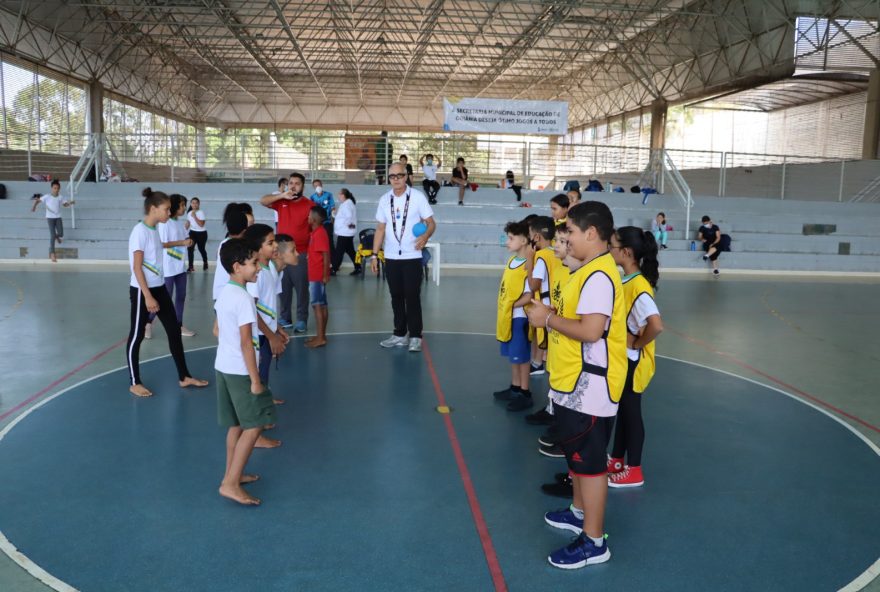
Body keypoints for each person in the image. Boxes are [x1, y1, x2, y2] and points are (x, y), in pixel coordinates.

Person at [525, 201, 627, 570]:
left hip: (592, 386)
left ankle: (594, 541)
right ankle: (579, 511)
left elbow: (591, 330)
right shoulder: (585, 271)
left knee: (590, 465)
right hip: (574, 381)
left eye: (569, 232)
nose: (563, 237)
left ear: (592, 234)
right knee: (577, 458)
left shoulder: (600, 276)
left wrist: (547, 318)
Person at [126, 188, 208, 398]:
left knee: (173, 329)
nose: (168, 212)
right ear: (153, 209)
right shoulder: (139, 231)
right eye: (166, 209)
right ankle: (135, 382)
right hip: (142, 290)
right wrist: (147, 296)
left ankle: (184, 376)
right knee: (136, 336)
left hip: (159, 287)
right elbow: (137, 267)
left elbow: (160, 248)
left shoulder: (154, 230)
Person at [214, 238, 276, 506]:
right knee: (254, 425)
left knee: (236, 425)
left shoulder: (225, 292)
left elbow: (217, 330)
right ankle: (229, 484)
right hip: (240, 371)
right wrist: (255, 380)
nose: (258, 268)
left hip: (223, 367)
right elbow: (246, 343)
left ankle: (232, 475)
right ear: (238, 267)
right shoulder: (243, 299)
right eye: (253, 264)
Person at [608, 226, 663, 488]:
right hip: (624, 357)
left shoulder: (639, 286)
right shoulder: (627, 281)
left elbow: (656, 325)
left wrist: (638, 342)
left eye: (613, 246)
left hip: (634, 360)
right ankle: (617, 459)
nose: (609, 249)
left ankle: (635, 469)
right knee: (622, 410)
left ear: (626, 252)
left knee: (632, 413)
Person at [371, 162, 436, 352]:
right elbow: (380, 228)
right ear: (388, 178)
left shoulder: (417, 197)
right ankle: (400, 333)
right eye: (392, 176)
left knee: (412, 296)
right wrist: (375, 255)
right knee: (395, 296)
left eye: (399, 175)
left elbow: (431, 223)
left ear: (406, 176)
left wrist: (425, 236)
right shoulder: (385, 200)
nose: (396, 179)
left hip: (412, 255)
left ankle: (415, 335)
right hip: (391, 256)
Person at [260, 172, 312, 332]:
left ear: (303, 186)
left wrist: (310, 252)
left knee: (301, 287)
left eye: (297, 183)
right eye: (291, 183)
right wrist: (282, 195)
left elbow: (314, 230)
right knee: (283, 287)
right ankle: (285, 317)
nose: (293, 186)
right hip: (280, 254)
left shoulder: (309, 205)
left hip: (299, 253)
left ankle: (302, 319)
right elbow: (262, 200)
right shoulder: (281, 201)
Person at [493, 220, 534, 411]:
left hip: (520, 318)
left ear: (525, 240)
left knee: (522, 357)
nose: (507, 242)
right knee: (513, 356)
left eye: (511, 238)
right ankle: (515, 387)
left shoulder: (528, 265)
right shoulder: (512, 261)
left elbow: (529, 296)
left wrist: (510, 305)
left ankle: (525, 393)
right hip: (509, 317)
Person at [146, 194, 195, 340]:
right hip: (168, 269)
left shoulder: (179, 223)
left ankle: (178, 324)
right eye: (182, 205)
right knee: (163, 298)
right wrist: (182, 243)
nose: (184, 208)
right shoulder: (164, 224)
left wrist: (188, 240)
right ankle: (148, 322)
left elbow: (183, 239)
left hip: (180, 267)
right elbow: (162, 244)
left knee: (181, 296)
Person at [526, 216, 557, 379]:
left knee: (542, 335)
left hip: (545, 304)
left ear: (536, 237)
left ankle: (537, 364)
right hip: (555, 302)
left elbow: (533, 285)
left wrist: (530, 259)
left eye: (531, 234)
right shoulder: (555, 253)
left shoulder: (541, 257)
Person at [212, 204, 252, 303]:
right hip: (228, 296)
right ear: (245, 230)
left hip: (220, 294)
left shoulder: (224, 243)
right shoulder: (239, 248)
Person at [305, 206, 331, 349]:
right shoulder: (315, 233)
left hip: (317, 276)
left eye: (309, 216)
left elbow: (325, 254)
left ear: (314, 219)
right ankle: (322, 335)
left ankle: (320, 337)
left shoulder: (319, 233)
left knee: (317, 306)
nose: (307, 218)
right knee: (322, 304)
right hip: (316, 275)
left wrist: (325, 274)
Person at [31, 179, 73, 262]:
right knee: (52, 235)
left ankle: (57, 237)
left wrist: (70, 203)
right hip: (50, 218)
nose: (56, 190)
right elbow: (37, 201)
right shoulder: (47, 196)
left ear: (59, 189)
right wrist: (34, 207)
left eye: (57, 188)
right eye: (54, 188)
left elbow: (65, 204)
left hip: (58, 217)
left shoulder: (60, 197)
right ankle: (52, 254)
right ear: (51, 188)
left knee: (61, 233)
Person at [331, 188, 360, 275]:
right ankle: (358, 267)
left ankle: (334, 269)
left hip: (345, 233)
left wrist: (344, 225)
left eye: (339, 194)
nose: (338, 196)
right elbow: (342, 217)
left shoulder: (347, 204)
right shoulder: (346, 204)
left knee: (339, 251)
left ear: (344, 195)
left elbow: (348, 217)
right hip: (346, 232)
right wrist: (334, 213)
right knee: (350, 251)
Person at [310, 179, 335, 261]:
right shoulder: (312, 197)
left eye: (319, 185)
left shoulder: (329, 195)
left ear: (322, 185)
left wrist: (333, 219)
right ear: (313, 187)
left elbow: (333, 207)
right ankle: (321, 260)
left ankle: (332, 263)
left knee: (330, 242)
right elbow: (311, 210)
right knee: (319, 243)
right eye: (316, 185)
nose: (318, 187)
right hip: (317, 224)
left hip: (327, 222)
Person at [186, 197, 209, 271]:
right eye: (193, 203)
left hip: (201, 233)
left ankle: (205, 262)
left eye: (196, 203)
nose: (194, 204)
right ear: (191, 204)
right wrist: (184, 230)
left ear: (199, 204)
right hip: (192, 232)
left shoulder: (201, 212)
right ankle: (190, 267)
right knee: (190, 248)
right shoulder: (189, 213)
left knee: (201, 249)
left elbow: (201, 224)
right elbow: (188, 223)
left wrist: (195, 216)